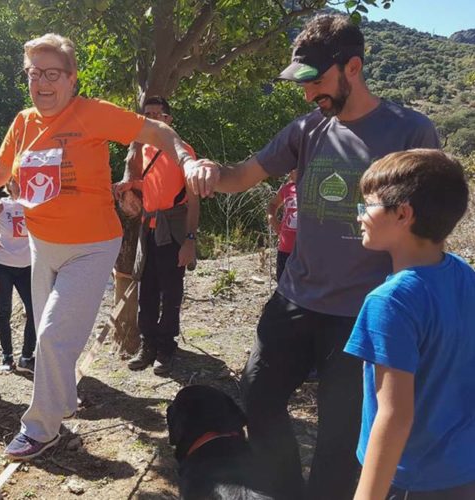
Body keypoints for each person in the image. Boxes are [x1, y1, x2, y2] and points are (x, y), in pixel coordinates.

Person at [184, 14, 440, 500]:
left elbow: (426, 230)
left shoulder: (411, 131)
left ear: (354, 68)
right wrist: (210, 171)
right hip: (295, 298)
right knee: (257, 398)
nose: (308, 95)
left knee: (340, 438)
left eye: (317, 82)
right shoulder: (307, 129)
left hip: (362, 313)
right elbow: (242, 175)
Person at [0, 33, 218, 461]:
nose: (41, 83)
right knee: (55, 337)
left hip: (92, 245)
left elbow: (157, 131)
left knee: (50, 335)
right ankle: (63, 403)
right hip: (42, 245)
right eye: (33, 74)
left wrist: (187, 158)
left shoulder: (93, 114)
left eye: (52, 74)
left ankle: (40, 429)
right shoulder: (24, 121)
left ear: (71, 79)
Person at [344, 149, 474, 500]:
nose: (360, 217)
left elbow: (394, 416)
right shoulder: (463, 275)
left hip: (409, 480)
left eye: (367, 206)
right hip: (462, 472)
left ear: (403, 214)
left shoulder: (389, 302)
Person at [115, 95, 200, 376]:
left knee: (170, 292)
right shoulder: (145, 151)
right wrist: (132, 182)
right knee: (147, 290)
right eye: (146, 114)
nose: (150, 119)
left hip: (172, 229)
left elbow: (193, 199)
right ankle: (147, 344)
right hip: (148, 230)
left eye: (156, 114)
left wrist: (189, 241)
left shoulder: (183, 150)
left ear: (168, 120)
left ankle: (166, 346)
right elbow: (154, 184)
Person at [0, 177, 36, 374]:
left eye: (24, 178)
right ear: (8, 184)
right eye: (15, 179)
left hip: (28, 267)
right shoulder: (2, 206)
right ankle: (7, 357)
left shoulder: (36, 205)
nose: (19, 183)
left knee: (35, 311)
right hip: (2, 266)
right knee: (4, 311)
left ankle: (27, 356)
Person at [267, 169, 298, 281]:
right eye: (294, 169)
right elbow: (272, 204)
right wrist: (273, 221)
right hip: (286, 247)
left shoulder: (314, 190)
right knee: (283, 283)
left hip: (307, 250)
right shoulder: (287, 189)